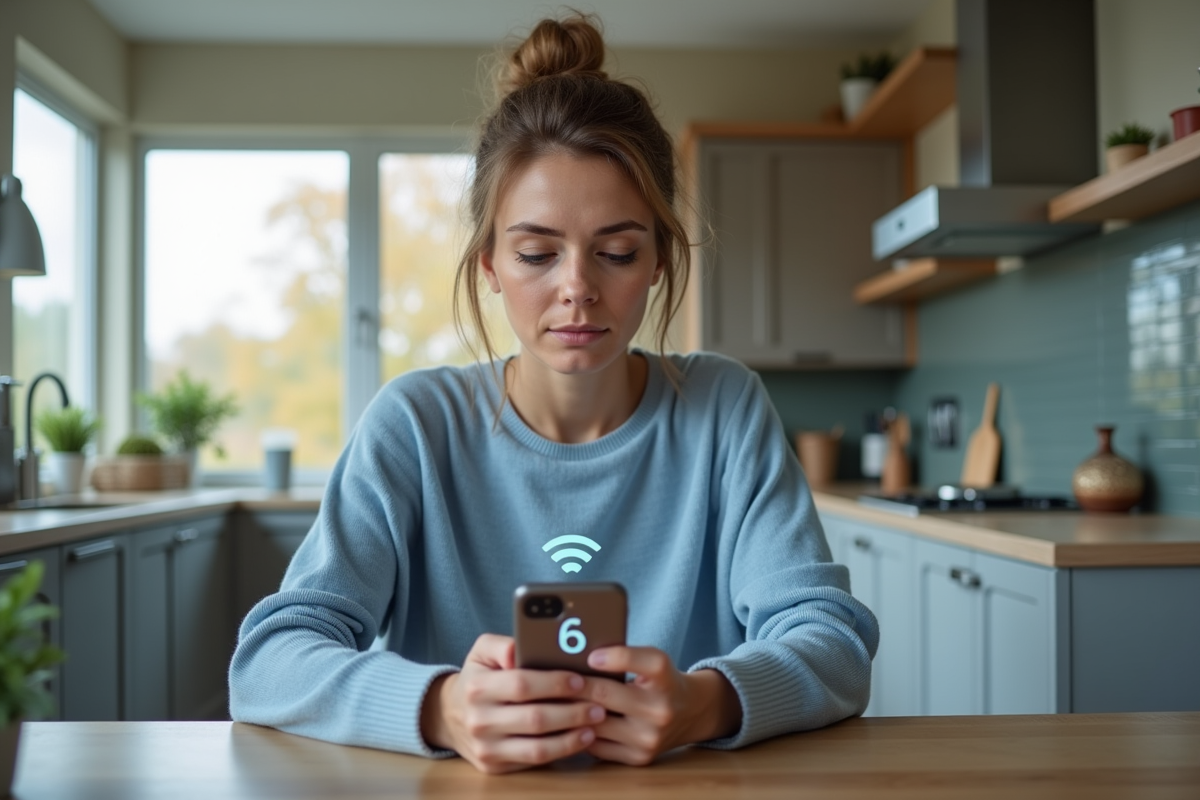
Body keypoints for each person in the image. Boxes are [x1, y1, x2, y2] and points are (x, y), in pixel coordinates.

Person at [228, 13, 879, 775]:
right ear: (489, 266)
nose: (577, 290)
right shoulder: (414, 425)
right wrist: (441, 707)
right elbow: (269, 659)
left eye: (617, 252)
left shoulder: (723, 407)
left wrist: (708, 701)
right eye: (537, 253)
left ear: (660, 260)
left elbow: (832, 639)